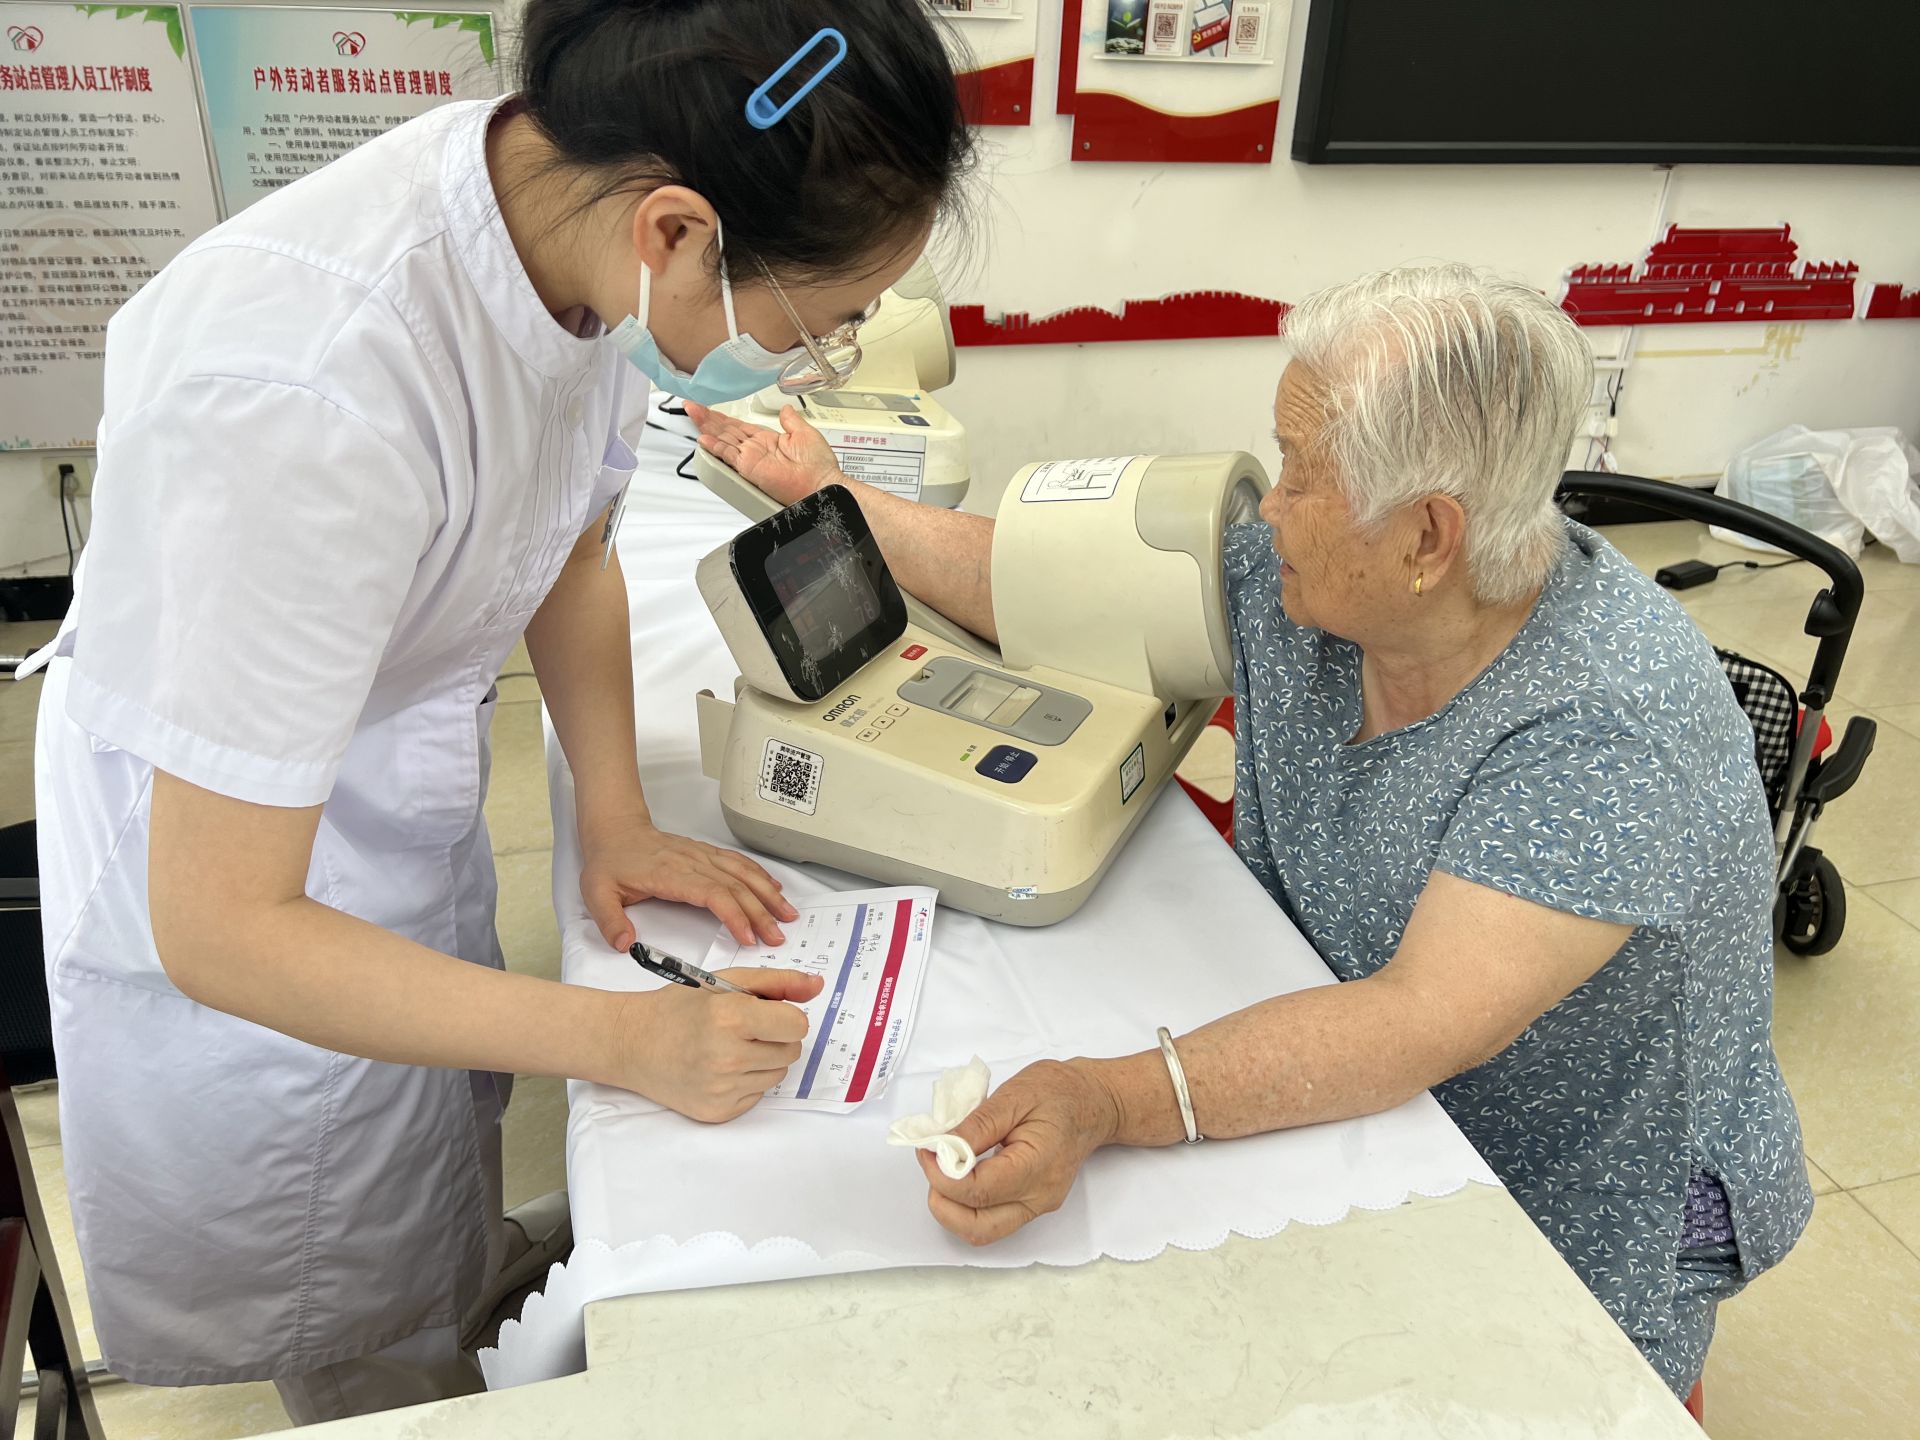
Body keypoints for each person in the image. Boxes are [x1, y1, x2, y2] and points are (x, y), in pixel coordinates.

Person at [28, 0, 972, 1421]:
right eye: (819, 329)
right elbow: (223, 927)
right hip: (235, 866)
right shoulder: (303, 389)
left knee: (436, 1164)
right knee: (361, 1324)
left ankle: (454, 1291)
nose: (811, 362)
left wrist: (616, 815)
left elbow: (571, 545)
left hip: (370, 779)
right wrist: (627, 1041)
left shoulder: (566, 224)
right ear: (678, 233)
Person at [692, 264, 1812, 1400]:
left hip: (1577, 1189)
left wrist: (1111, 1098)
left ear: (1429, 537)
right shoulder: (1334, 590)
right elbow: (1036, 586)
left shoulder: (1609, 727)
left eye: (1301, 473)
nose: (1268, 505)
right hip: (1359, 1085)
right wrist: (832, 494)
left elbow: (1413, 1021)